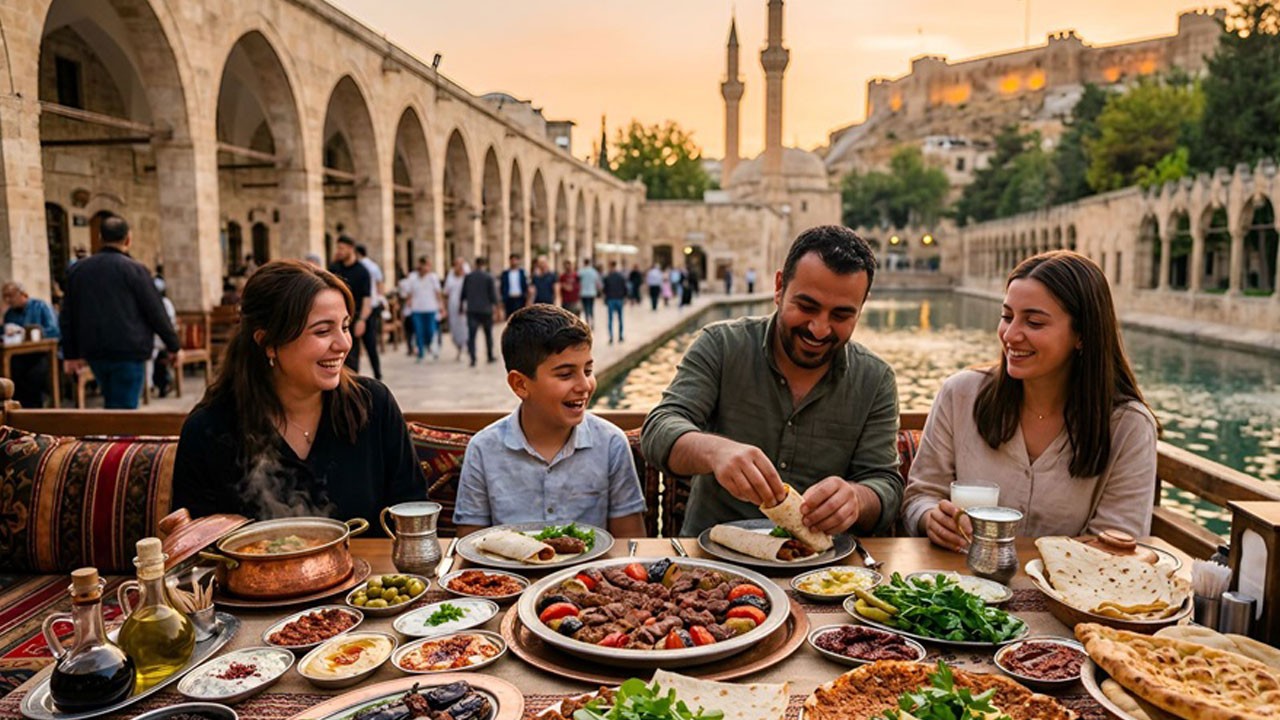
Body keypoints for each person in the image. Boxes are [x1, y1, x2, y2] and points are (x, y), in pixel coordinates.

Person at [642, 225, 903, 537]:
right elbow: (659, 427)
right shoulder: (722, 345)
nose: (819, 329)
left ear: (861, 308)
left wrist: (856, 499)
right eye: (806, 307)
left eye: (841, 315)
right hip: (712, 559)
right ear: (779, 287)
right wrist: (715, 451)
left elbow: (885, 483)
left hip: (820, 572)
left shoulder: (876, 380)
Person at [902, 251, 1160, 550]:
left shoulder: (1128, 426)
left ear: (1082, 335)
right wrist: (931, 518)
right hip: (962, 588)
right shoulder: (960, 395)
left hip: (1067, 593)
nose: (1010, 335)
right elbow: (919, 496)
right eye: (1006, 317)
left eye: (1034, 323)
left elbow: (1116, 541)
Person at [173, 261, 425, 526]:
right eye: (323, 331)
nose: (343, 344)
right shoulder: (211, 429)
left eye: (345, 326)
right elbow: (198, 546)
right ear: (268, 342)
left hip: (368, 568)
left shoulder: (372, 405)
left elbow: (412, 511)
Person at [453, 304, 646, 537]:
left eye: (587, 370)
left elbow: (631, 544)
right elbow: (471, 545)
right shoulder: (483, 450)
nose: (584, 386)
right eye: (565, 374)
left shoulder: (611, 444)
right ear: (520, 385)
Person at [60, 215, 180, 410]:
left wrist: (70, 353)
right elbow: (155, 311)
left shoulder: (78, 271)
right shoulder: (135, 270)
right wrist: (174, 346)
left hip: (94, 350)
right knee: (124, 409)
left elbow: (67, 315)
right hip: (128, 349)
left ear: (100, 238)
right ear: (128, 239)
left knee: (112, 402)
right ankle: (120, 439)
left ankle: (112, 436)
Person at [1, 281, 61, 408]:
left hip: (41, 353)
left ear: (23, 294)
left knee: (35, 372)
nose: (8, 300)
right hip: (18, 355)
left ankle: (37, 406)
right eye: (5, 297)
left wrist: (30, 333)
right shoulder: (9, 314)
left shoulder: (41, 306)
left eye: (10, 296)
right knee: (10, 369)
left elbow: (54, 331)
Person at [328, 236, 372, 374]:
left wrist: (362, 320)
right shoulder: (334, 267)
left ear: (351, 249)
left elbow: (367, 298)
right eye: (338, 248)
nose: (339, 251)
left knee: (353, 355)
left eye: (342, 248)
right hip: (335, 317)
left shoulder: (362, 271)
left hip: (354, 317)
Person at [355, 244, 385, 381]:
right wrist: (380, 297)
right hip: (372, 305)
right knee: (371, 343)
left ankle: (354, 374)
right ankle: (377, 373)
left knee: (358, 344)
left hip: (363, 307)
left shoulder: (361, 267)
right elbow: (380, 284)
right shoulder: (374, 266)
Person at [460, 257, 498, 366]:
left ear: (475, 264)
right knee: (488, 334)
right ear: (484, 265)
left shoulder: (469, 277)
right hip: (486, 310)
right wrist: (497, 308)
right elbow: (493, 295)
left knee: (472, 335)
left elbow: (463, 294)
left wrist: (461, 306)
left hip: (472, 309)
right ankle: (489, 356)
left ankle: (473, 358)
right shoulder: (489, 277)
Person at [404, 257, 444, 361]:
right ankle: (420, 352)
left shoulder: (433, 278)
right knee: (418, 331)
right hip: (417, 309)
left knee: (430, 330)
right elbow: (409, 292)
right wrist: (408, 302)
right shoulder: (413, 277)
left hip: (430, 308)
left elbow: (438, 293)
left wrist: (441, 306)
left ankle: (429, 345)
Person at [443, 258, 469, 360]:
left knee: (465, 328)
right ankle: (458, 347)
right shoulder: (450, 276)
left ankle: (466, 348)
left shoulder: (467, 276)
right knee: (454, 328)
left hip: (465, 306)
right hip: (453, 305)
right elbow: (446, 292)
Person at [602, 261, 628, 344]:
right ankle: (620, 336)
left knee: (610, 319)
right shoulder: (621, 277)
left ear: (610, 266)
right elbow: (625, 288)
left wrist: (605, 299)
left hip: (611, 299)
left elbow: (605, 290)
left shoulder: (607, 277)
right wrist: (625, 297)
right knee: (620, 319)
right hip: (619, 299)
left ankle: (611, 337)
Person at [499, 253, 532, 320]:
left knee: (520, 317)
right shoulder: (505, 273)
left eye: (515, 260)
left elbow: (527, 285)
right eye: (512, 260)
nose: (514, 262)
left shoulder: (522, 272)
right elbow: (502, 286)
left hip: (520, 298)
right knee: (509, 318)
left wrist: (528, 298)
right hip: (509, 298)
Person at [577, 257, 601, 328]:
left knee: (585, 308)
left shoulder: (581, 271)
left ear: (584, 263)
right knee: (591, 308)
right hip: (592, 293)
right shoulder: (594, 272)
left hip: (583, 293)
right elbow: (597, 283)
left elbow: (577, 280)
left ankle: (587, 322)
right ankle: (592, 322)